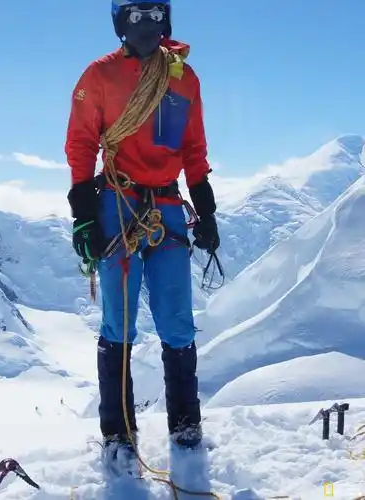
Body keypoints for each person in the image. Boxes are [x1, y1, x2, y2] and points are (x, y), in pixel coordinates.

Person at [63, 0, 220, 467]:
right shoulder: (100, 75)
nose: (146, 24)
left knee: (177, 319)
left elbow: (194, 148)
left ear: (166, 19)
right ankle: (118, 433)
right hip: (117, 201)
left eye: (154, 14)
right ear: (121, 21)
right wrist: (84, 215)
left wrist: (206, 210)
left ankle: (185, 424)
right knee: (120, 321)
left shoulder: (184, 78)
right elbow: (81, 143)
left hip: (166, 206)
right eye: (136, 14)